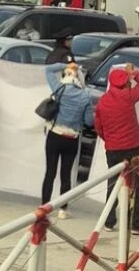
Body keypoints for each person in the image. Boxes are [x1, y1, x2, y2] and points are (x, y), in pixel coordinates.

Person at [96, 63, 139, 235]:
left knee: (113, 185)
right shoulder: (128, 96)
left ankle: (108, 221)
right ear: (125, 83)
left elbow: (99, 127)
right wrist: (135, 73)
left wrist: (110, 140)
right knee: (136, 186)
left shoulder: (103, 101)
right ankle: (136, 224)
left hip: (112, 150)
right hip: (132, 148)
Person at [41, 60, 95, 219]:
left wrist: (66, 65)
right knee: (66, 174)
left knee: (50, 172)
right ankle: (63, 209)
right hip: (71, 138)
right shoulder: (85, 95)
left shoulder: (60, 89)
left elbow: (48, 70)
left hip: (54, 134)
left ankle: (44, 207)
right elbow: (89, 121)